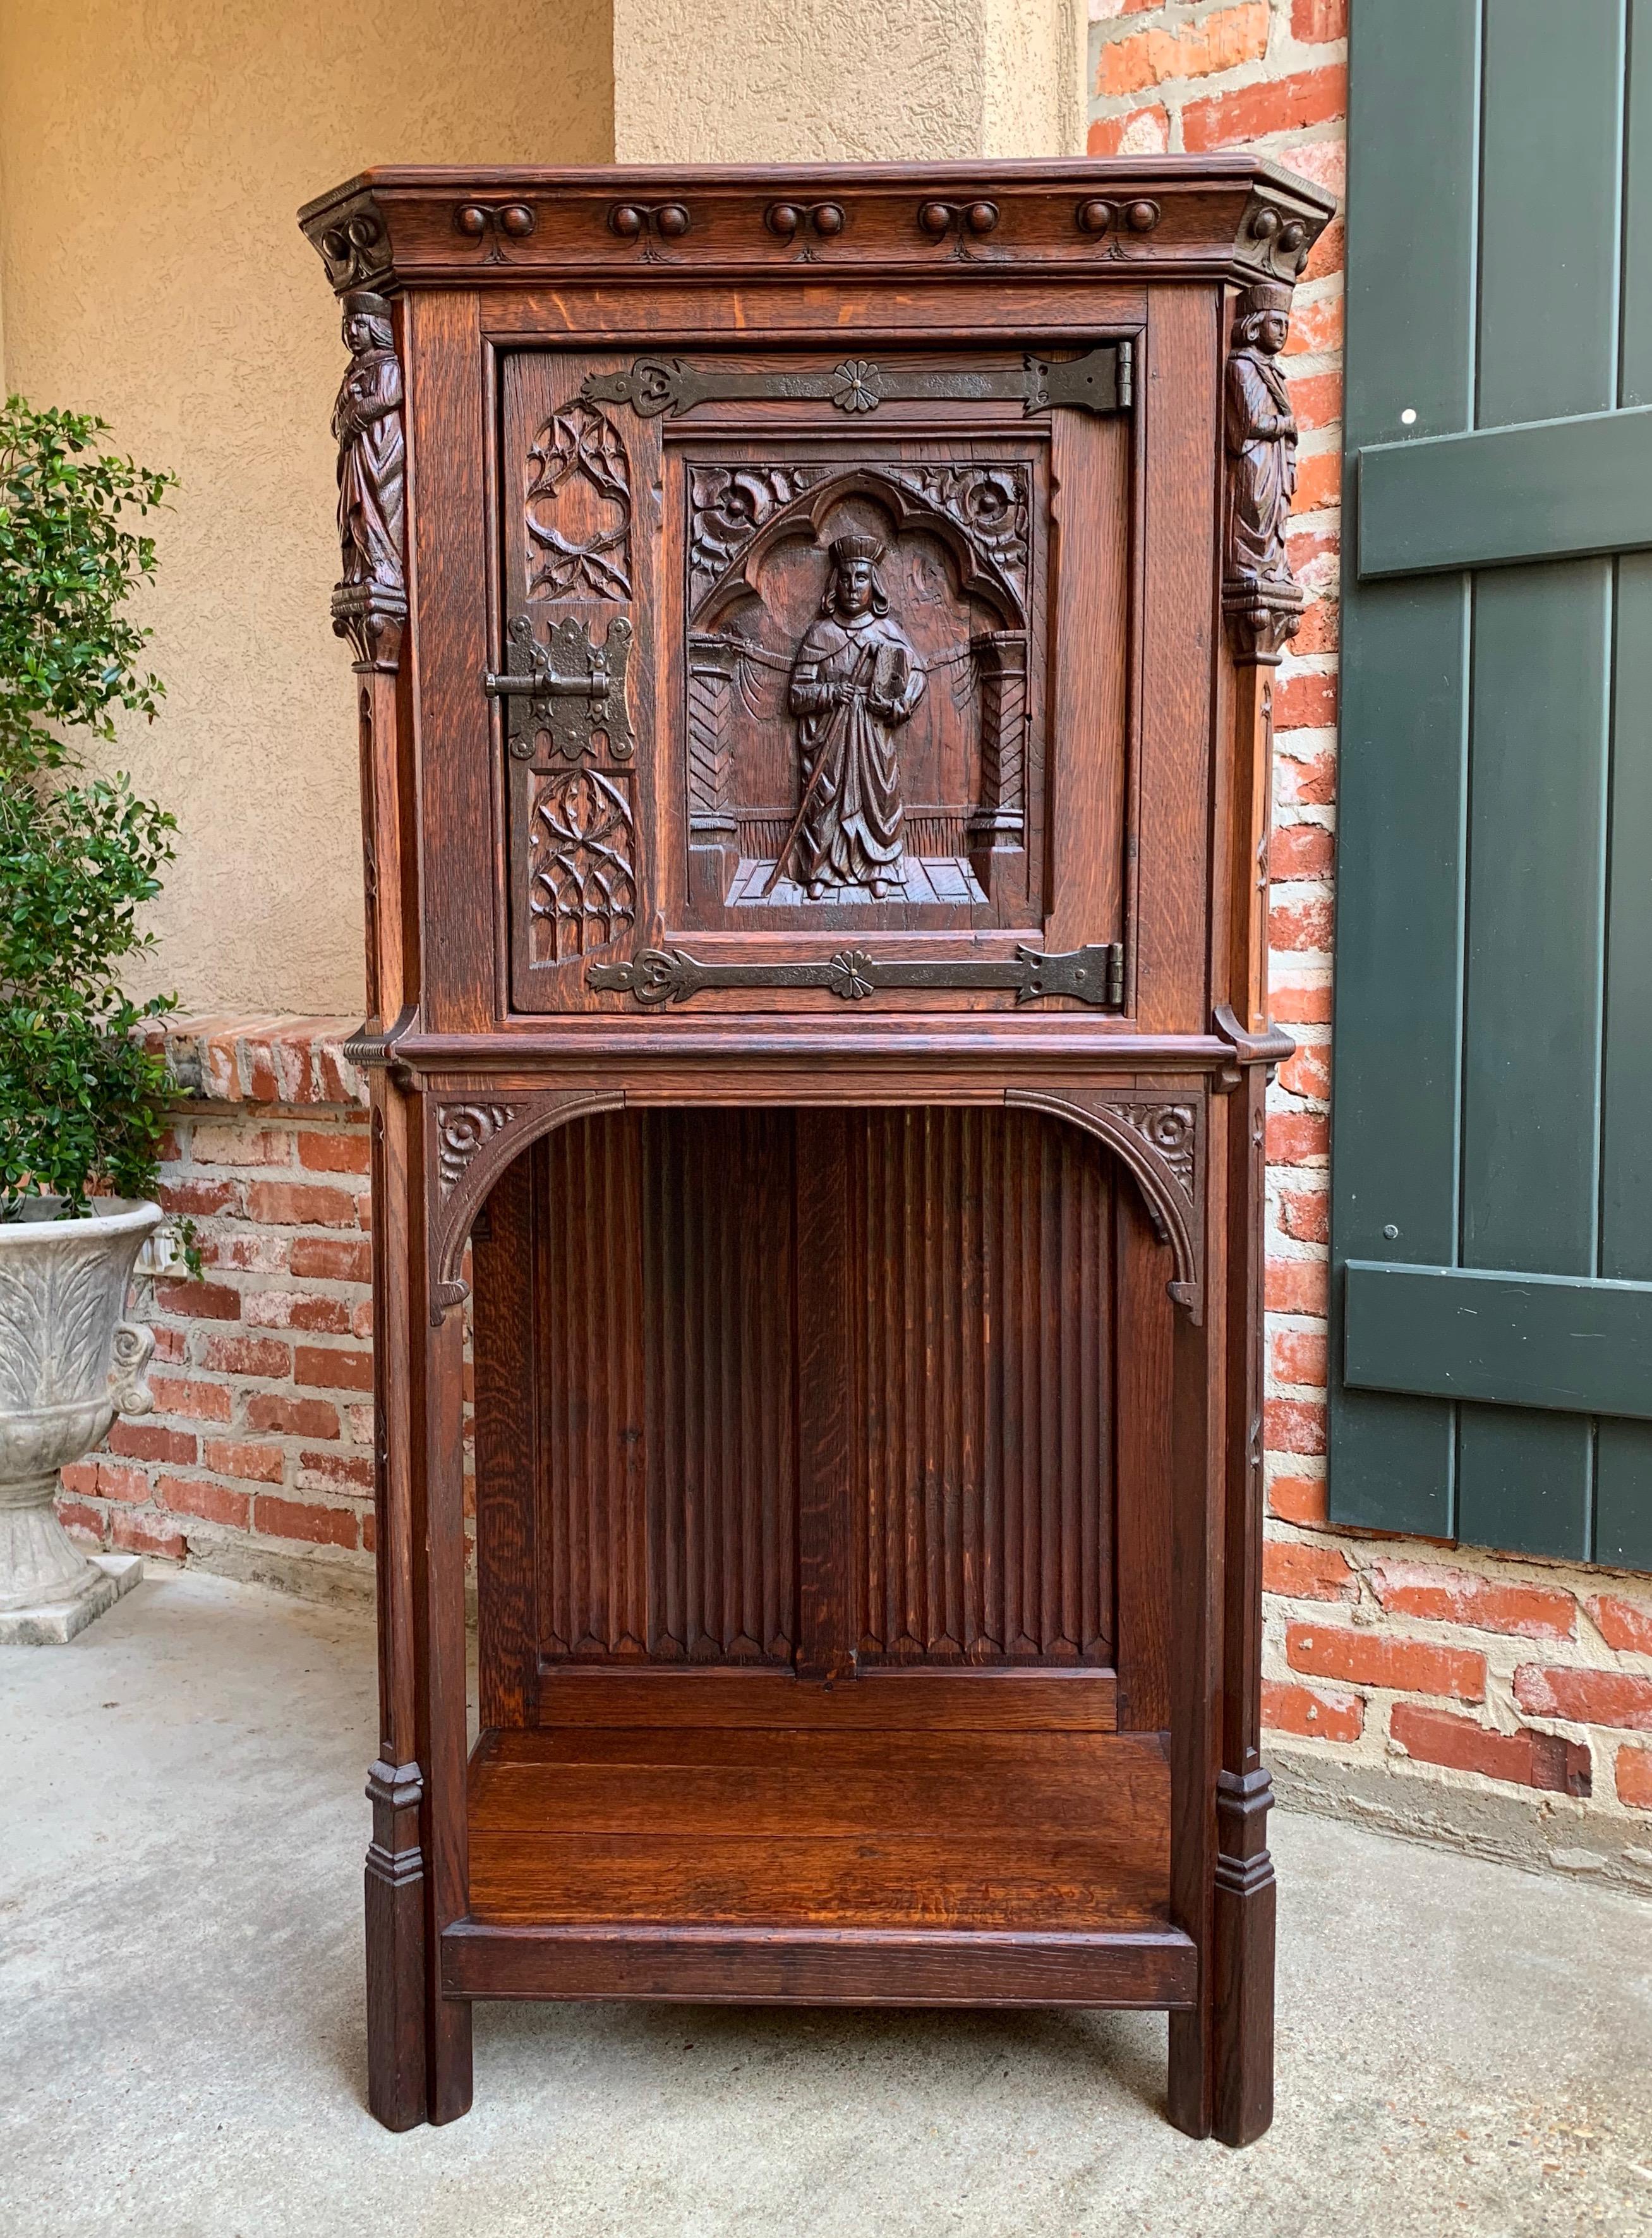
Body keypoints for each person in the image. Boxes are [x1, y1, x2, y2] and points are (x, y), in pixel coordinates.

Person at [783, 534, 925, 900]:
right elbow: (797, 696)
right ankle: (820, 869)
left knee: (878, 800)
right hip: (830, 737)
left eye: (861, 578)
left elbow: (917, 675)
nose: (852, 587)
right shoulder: (821, 633)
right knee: (824, 801)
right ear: (835, 583)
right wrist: (831, 693)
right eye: (845, 578)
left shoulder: (888, 632)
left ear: (873, 585)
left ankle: (878, 866)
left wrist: (901, 704)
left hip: (875, 736)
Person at [1224, 281, 1298, 587]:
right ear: (1255, 325)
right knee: (1254, 511)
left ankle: (1273, 571)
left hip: (1274, 458)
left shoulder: (1273, 370)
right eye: (1276, 323)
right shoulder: (1243, 366)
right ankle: (1248, 568)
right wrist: (1285, 425)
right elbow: (1253, 422)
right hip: (1254, 460)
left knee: (1274, 513)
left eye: (1286, 325)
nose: (1283, 331)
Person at [332, 290, 405, 593]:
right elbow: (334, 423)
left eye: (360, 325)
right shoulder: (352, 372)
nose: (352, 333)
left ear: (376, 328)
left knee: (375, 506)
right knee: (353, 514)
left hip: (378, 453)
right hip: (356, 455)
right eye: (348, 325)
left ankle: (384, 570)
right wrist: (346, 404)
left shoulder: (385, 364)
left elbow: (390, 396)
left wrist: (354, 414)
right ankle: (359, 571)